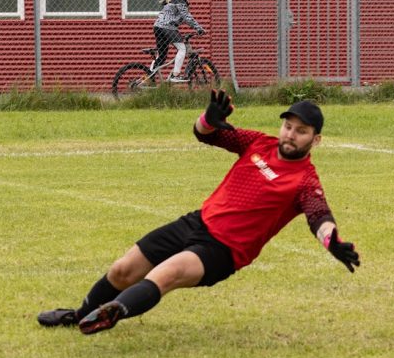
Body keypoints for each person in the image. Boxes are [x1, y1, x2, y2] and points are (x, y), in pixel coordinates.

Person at [38, 90, 360, 335]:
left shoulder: (305, 179)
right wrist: (207, 118)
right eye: (288, 126)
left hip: (222, 250)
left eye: (301, 131)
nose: (290, 134)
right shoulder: (258, 143)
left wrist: (332, 242)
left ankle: (114, 312)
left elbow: (318, 215)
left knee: (165, 275)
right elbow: (207, 134)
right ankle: (80, 314)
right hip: (196, 222)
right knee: (123, 270)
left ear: (315, 140)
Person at [153, 0, 205, 83]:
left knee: (161, 57)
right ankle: (175, 75)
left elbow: (178, 17)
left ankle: (149, 77)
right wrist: (198, 28)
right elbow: (186, 16)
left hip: (158, 27)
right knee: (182, 49)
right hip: (167, 27)